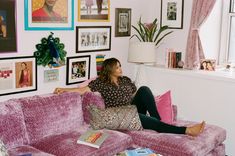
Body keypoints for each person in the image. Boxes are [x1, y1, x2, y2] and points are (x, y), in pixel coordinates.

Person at [54, 58, 205, 136]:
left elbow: (135, 94)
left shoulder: (125, 79)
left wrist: (148, 101)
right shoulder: (100, 83)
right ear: (109, 69)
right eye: (117, 66)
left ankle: (158, 122)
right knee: (139, 115)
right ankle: (187, 131)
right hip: (121, 115)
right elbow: (82, 90)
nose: (121, 68)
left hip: (132, 108)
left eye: (120, 66)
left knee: (144, 89)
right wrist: (64, 89)